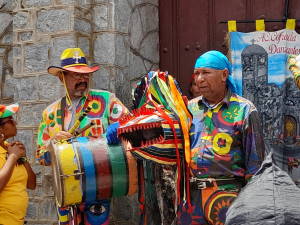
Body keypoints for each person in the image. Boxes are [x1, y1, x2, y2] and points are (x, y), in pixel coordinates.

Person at [36, 48, 129, 225]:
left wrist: (120, 128)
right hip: (66, 189)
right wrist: (53, 146)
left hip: (99, 185)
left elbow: (132, 126)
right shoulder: (50, 113)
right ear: (61, 77)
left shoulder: (107, 100)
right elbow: (41, 157)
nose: (82, 79)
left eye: (85, 74)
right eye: (75, 75)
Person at [178, 50, 265, 224]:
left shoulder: (245, 111)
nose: (199, 79)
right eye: (196, 73)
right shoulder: (187, 109)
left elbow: (256, 168)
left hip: (229, 201)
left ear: (224, 74)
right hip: (190, 203)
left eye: (206, 72)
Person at [0, 103, 36, 225]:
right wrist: (13, 156)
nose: (15, 123)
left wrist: (23, 158)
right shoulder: (11, 153)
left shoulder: (9, 148)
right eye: (10, 120)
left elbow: (31, 185)